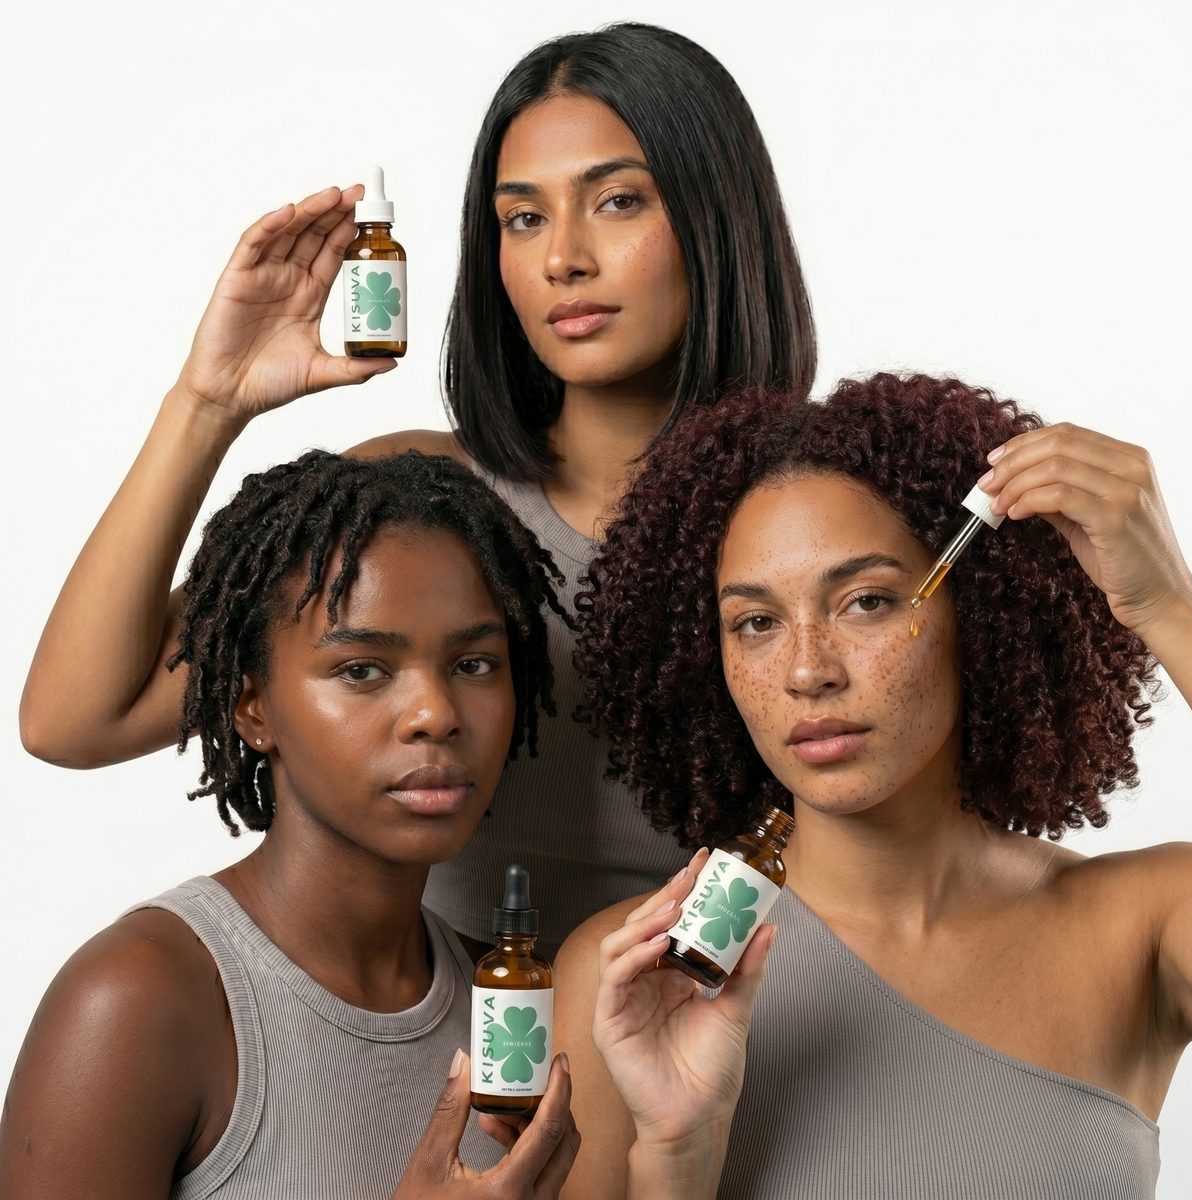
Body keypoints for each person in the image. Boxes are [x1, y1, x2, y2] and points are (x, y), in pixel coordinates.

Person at [18, 22, 817, 956]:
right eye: (524, 218)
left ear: (720, 221)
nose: (564, 257)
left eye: (618, 202)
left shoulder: (821, 515)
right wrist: (207, 402)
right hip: (463, 1064)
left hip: (749, 1058)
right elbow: (75, 718)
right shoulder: (422, 509)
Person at [555, 373, 1192, 1198]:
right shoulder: (642, 976)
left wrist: (1166, 604)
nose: (806, 670)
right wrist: (677, 1150)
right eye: (755, 622)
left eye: (866, 602)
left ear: (982, 611)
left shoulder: (1145, 925)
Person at [0, 450, 580, 1199]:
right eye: (362, 670)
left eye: (474, 665)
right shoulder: (140, 1000)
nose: (436, 714)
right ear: (253, 709)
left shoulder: (513, 1006)